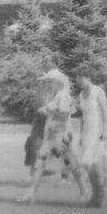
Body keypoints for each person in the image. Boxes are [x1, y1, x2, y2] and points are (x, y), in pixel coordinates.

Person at [20, 68, 84, 204]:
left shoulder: (63, 96)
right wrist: (45, 109)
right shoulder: (55, 95)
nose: (48, 85)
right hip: (50, 137)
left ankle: (84, 192)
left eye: (50, 82)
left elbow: (64, 116)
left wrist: (48, 109)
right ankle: (31, 194)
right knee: (39, 164)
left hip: (61, 138)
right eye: (47, 82)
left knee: (72, 164)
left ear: (57, 82)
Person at [76, 73, 107, 207]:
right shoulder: (81, 95)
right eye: (78, 79)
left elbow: (104, 113)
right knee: (90, 164)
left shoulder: (98, 91)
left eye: (81, 78)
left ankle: (98, 193)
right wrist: (80, 135)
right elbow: (83, 117)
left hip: (96, 132)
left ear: (89, 78)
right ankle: (99, 192)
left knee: (88, 162)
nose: (79, 81)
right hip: (86, 132)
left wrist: (105, 131)